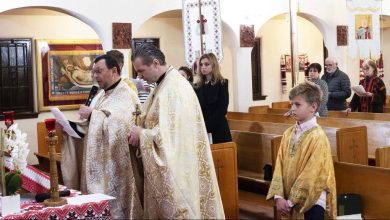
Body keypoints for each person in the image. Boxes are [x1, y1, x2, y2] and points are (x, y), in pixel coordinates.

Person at [128, 44, 225, 219]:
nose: (139, 76)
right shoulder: (163, 84)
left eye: (141, 70)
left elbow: (171, 137)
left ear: (155, 63)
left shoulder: (174, 89)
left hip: (180, 169)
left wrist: (142, 134)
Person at [60, 54, 143, 219]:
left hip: (116, 168)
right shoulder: (101, 95)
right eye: (93, 72)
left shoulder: (126, 94)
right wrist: (70, 126)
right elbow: (94, 123)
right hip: (98, 164)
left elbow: (121, 126)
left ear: (114, 70)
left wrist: (93, 115)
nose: (95, 76)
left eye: (99, 71)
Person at [266, 81, 337, 219]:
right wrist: (279, 196)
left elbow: (312, 173)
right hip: (288, 200)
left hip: (313, 202)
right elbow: (279, 165)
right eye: (291, 104)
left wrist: (291, 201)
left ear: (313, 107)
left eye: (297, 104)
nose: (292, 108)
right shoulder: (288, 133)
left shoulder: (318, 137)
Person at [193, 53, 232, 144]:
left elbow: (222, 109)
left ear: (213, 65)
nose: (203, 67)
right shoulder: (198, 86)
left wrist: (207, 125)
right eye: (201, 64)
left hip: (218, 128)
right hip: (202, 128)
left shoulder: (222, 83)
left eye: (207, 64)